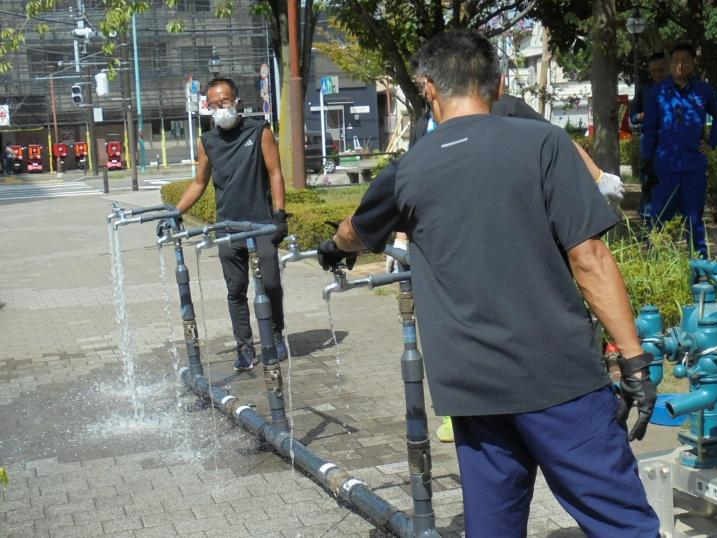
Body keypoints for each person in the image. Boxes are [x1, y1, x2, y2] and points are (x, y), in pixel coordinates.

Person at [316, 30, 659, 537]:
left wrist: (331, 250)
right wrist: (632, 357)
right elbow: (589, 258)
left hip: (472, 390)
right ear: (498, 85)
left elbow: (355, 233)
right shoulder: (542, 143)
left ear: (428, 88)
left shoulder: (409, 170)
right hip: (558, 379)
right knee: (622, 523)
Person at [402, 84, 625, 444]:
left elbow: (558, 142)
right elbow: (410, 185)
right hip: (451, 240)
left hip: (503, 225)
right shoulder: (422, 125)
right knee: (462, 316)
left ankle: (538, 390)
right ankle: (459, 411)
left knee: (515, 303)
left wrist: (598, 177)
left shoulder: (507, 108)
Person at [172, 77, 290, 372]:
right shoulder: (207, 141)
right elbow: (199, 183)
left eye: (224, 102)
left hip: (261, 223)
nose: (219, 108)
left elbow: (275, 173)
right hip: (227, 225)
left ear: (237, 102)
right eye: (213, 104)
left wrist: (279, 214)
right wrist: (174, 212)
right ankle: (245, 347)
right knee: (236, 289)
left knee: (271, 283)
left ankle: (275, 334)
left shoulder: (259, 131)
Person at [641, 43, 717, 258]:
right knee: (659, 221)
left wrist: (712, 142)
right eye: (675, 62)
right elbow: (649, 129)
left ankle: (700, 267)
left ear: (693, 63)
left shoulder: (703, 91)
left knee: (694, 221)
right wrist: (647, 162)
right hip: (664, 168)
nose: (679, 66)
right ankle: (656, 266)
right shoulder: (657, 92)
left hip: (693, 167)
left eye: (684, 61)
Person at [630, 53, 669, 225]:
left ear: (667, 69)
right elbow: (632, 116)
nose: (657, 75)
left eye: (660, 70)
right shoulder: (644, 89)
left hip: (671, 144)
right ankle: (647, 220)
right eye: (653, 71)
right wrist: (646, 115)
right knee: (648, 181)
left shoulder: (674, 89)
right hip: (649, 144)